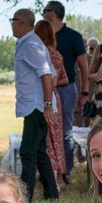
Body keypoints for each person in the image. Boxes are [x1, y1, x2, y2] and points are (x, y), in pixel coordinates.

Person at [12, 9, 60, 203]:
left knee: (27, 152)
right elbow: (51, 74)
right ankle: (51, 194)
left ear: (22, 22)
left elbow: (47, 75)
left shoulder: (31, 44)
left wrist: (47, 105)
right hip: (34, 105)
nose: (12, 24)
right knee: (39, 151)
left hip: (37, 107)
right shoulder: (30, 43)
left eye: (13, 21)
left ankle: (25, 198)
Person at [43, 1, 89, 185]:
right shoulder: (41, 36)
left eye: (45, 10)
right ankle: (49, 171)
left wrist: (85, 91)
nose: (43, 14)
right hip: (45, 91)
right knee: (46, 132)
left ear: (53, 13)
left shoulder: (73, 36)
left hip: (66, 89)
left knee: (65, 132)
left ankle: (65, 172)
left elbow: (83, 67)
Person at [34, 20, 68, 188]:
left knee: (47, 141)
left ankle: (52, 182)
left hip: (44, 97)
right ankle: (57, 179)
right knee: (57, 140)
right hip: (55, 97)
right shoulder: (58, 54)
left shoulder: (40, 53)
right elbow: (65, 78)